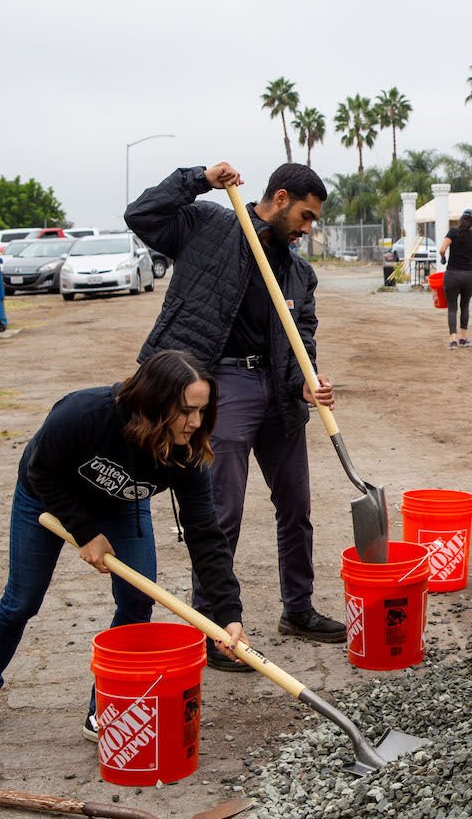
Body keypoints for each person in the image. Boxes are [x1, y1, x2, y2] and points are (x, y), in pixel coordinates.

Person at [0, 350, 247, 742]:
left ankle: (105, 706)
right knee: (22, 600)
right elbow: (39, 469)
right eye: (185, 410)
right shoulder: (84, 412)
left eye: (202, 410)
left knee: (137, 600)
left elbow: (205, 534)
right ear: (154, 401)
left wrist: (228, 614)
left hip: (121, 503)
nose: (195, 422)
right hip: (46, 498)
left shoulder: (187, 450)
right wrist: (84, 531)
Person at [125, 161, 343, 670]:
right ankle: (215, 629)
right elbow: (142, 214)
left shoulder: (297, 271)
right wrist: (198, 177)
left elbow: (301, 335)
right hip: (219, 385)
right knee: (220, 512)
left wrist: (308, 381)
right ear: (281, 197)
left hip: (279, 392)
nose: (308, 229)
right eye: (306, 217)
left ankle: (299, 609)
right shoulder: (209, 226)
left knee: (296, 504)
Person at [438, 209, 472, 349]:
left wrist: (443, 258)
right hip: (469, 276)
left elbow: (442, 249)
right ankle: (463, 338)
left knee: (452, 308)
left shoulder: (453, 232)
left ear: (461, 219)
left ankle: (453, 340)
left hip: (452, 275)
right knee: (465, 306)